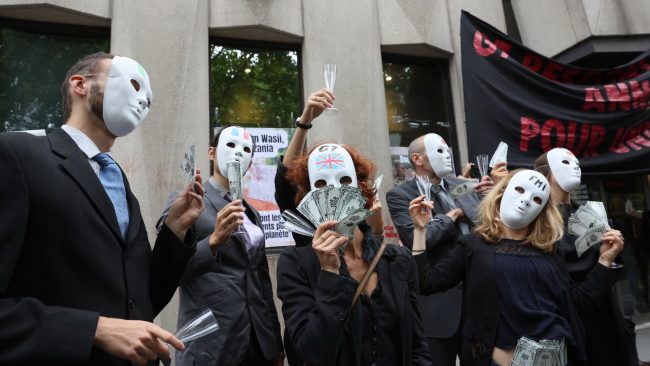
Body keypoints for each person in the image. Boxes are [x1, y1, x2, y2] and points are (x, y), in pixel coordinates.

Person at [0, 52, 205, 365]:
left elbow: (138, 300)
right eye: (134, 84)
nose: (143, 102)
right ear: (80, 85)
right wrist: (91, 329)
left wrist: (175, 232)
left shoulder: (119, 182)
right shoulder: (17, 154)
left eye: (149, 100)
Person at [410, 169, 624, 366]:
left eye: (537, 199)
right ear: (501, 193)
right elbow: (428, 282)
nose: (525, 200)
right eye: (520, 189)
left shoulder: (550, 251)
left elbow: (575, 304)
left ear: (542, 210)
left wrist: (604, 261)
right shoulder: (473, 245)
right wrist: (420, 232)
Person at [276, 143, 431, 366]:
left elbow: (417, 345)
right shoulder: (296, 264)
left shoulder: (397, 259)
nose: (335, 192)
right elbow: (310, 354)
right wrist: (329, 275)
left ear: (361, 188)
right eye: (320, 184)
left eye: (345, 180)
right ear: (308, 195)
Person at [160, 125, 283, 366]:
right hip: (212, 342)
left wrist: (275, 341)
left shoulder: (252, 213)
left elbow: (260, 281)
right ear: (211, 153)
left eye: (246, 149)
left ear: (249, 163)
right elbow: (169, 271)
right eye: (231, 145)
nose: (238, 152)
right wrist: (214, 241)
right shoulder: (187, 202)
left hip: (258, 342)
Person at [386, 133, 493, 366]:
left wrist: (491, 198)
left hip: (478, 296)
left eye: (448, 152)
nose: (447, 157)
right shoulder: (401, 196)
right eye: (439, 151)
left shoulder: (462, 186)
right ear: (417, 158)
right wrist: (451, 216)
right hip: (438, 302)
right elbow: (419, 237)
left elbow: (484, 225)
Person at [534, 148, 639, 365]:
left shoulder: (585, 213)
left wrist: (610, 254)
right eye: (565, 162)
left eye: (577, 163)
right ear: (546, 173)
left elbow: (606, 272)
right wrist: (604, 262)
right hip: (575, 332)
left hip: (606, 322)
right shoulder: (540, 226)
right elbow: (571, 299)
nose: (575, 167)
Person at [275, 88, 335, 247]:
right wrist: (304, 122)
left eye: (344, 179)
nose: (333, 185)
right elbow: (287, 176)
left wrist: (376, 231)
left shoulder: (360, 220)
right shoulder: (305, 214)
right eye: (321, 181)